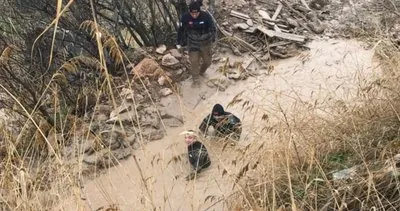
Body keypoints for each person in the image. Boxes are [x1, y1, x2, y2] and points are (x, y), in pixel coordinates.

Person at [177, 1, 216, 88]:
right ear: (189, 12)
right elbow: (181, 30)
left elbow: (213, 28)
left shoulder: (206, 16)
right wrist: (179, 43)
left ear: (199, 11)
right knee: (194, 62)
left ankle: (202, 72)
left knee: (207, 62)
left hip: (206, 43)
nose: (194, 15)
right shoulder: (185, 17)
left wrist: (213, 38)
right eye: (192, 13)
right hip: (192, 43)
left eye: (196, 13)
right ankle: (196, 79)